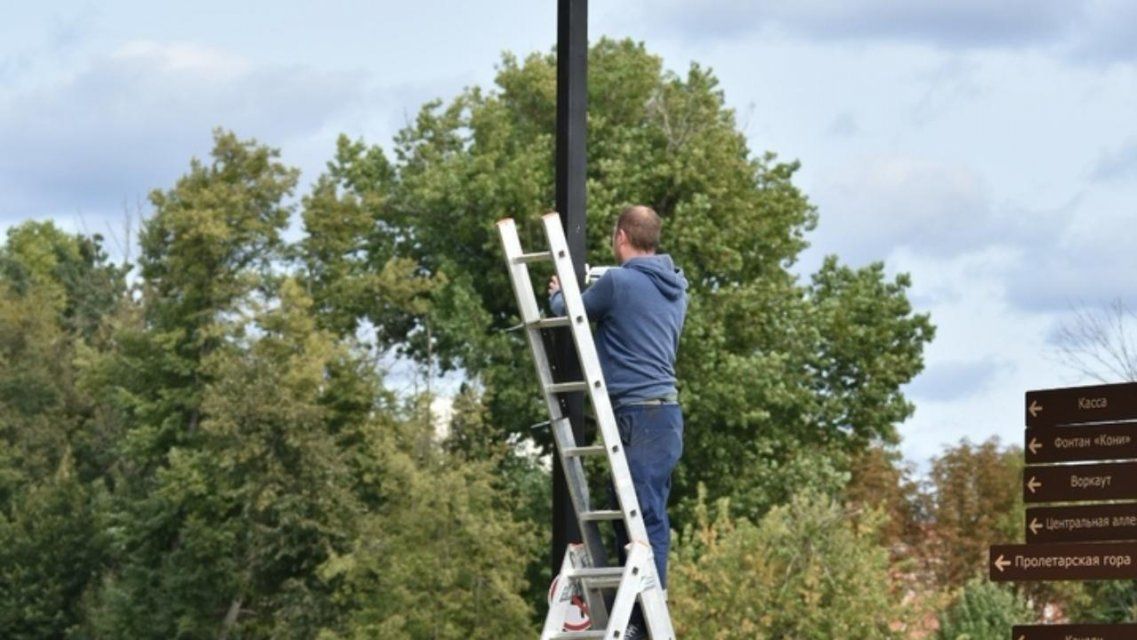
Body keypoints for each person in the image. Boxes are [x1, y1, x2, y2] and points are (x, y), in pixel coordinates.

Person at [548, 204, 688, 638]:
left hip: (636, 415)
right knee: (641, 517)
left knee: (640, 520)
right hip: (663, 416)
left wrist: (558, 289)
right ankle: (639, 614)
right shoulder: (675, 286)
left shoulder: (618, 283)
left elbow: (569, 310)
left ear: (622, 236)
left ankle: (642, 623)